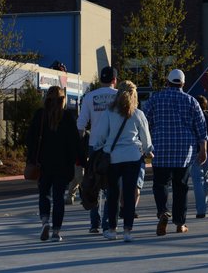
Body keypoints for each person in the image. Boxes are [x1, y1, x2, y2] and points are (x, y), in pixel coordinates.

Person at [142, 69, 208, 236]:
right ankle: (180, 222)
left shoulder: (155, 99)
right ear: (183, 83)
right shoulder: (191, 101)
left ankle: (163, 211)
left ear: (167, 81)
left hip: (161, 149)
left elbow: (143, 121)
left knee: (160, 184)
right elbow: (201, 127)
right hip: (184, 152)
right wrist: (203, 150)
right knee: (181, 186)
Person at [93, 80, 152, 242]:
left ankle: (112, 229)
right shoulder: (138, 114)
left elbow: (100, 136)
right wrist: (148, 151)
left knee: (113, 194)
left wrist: (100, 147)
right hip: (133, 156)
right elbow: (146, 140)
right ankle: (127, 230)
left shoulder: (109, 113)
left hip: (113, 157)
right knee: (129, 194)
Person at [26, 86, 79, 242]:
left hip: (43, 163)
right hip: (62, 165)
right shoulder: (67, 117)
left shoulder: (40, 116)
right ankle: (56, 231)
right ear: (63, 100)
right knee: (58, 198)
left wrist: (32, 158)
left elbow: (30, 139)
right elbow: (74, 143)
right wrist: (78, 160)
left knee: (44, 194)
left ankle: (44, 221)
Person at [76, 66, 118, 233]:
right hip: (114, 146)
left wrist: (80, 146)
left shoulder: (89, 97)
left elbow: (80, 125)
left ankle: (95, 223)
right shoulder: (119, 96)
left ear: (101, 80)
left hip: (94, 145)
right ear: (115, 80)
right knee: (111, 185)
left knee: (93, 183)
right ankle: (108, 221)